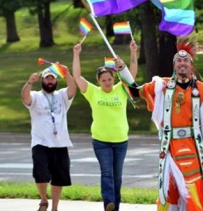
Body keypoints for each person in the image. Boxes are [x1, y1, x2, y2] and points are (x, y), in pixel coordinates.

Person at [123, 39, 203, 211]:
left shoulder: (202, 90)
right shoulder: (162, 87)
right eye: (179, 61)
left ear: (191, 65)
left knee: (194, 192)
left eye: (186, 61)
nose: (182, 64)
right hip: (169, 149)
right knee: (169, 192)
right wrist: (124, 66)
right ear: (174, 65)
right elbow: (134, 91)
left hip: (193, 149)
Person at [72, 40, 138, 211]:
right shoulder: (93, 92)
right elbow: (77, 77)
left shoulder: (121, 89)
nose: (107, 82)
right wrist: (76, 54)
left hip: (121, 141)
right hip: (101, 141)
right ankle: (109, 203)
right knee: (107, 174)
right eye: (103, 80)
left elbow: (132, 74)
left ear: (113, 78)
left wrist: (132, 53)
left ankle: (115, 207)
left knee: (118, 178)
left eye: (109, 79)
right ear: (98, 81)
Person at [21, 65, 76, 211]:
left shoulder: (62, 95)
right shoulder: (36, 95)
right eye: (47, 79)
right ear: (43, 80)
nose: (50, 81)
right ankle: (44, 200)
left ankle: (55, 208)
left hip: (60, 142)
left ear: (56, 80)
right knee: (41, 173)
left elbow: (73, 89)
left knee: (59, 177)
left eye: (52, 79)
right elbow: (25, 97)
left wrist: (67, 74)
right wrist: (29, 82)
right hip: (40, 142)